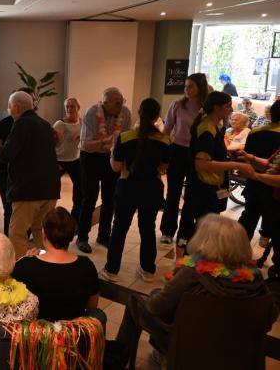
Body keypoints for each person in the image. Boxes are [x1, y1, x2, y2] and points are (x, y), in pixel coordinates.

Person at [116, 215, 277, 367]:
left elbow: (155, 306)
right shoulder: (254, 278)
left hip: (188, 346)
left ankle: (116, 360)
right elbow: (271, 316)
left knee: (135, 302)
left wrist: (156, 293)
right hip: (236, 352)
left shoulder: (193, 272)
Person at [101, 98, 170, 283]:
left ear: (139, 112)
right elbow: (164, 167)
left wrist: (112, 153)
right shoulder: (165, 140)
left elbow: (116, 167)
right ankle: (148, 271)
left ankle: (111, 270)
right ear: (157, 116)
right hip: (152, 189)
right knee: (147, 229)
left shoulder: (125, 137)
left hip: (127, 188)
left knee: (119, 228)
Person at [176, 92, 255, 248]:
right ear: (216, 107)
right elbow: (202, 164)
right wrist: (237, 165)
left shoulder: (212, 127)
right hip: (203, 188)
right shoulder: (207, 130)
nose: (231, 109)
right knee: (201, 234)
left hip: (207, 186)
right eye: (228, 106)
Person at [0, 91, 60, 259]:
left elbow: (7, 155)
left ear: (16, 107)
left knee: (17, 234)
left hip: (28, 190)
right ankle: (46, 263)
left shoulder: (21, 123)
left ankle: (21, 269)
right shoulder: (45, 123)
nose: (8, 110)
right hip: (50, 188)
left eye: (9, 107)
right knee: (40, 231)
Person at [12, 207, 102, 324]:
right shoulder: (86, 266)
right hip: (72, 332)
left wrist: (26, 260)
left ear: (43, 234)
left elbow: (13, 306)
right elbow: (92, 307)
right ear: (71, 236)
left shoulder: (24, 267)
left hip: (35, 333)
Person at [76, 87, 132, 253]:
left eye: (122, 102)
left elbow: (125, 140)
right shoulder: (91, 113)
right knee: (89, 198)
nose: (121, 106)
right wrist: (105, 141)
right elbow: (86, 145)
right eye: (117, 103)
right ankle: (82, 237)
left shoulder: (125, 113)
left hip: (112, 158)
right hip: (91, 158)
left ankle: (104, 236)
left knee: (110, 199)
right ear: (105, 103)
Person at [160, 73, 208, 245]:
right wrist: (162, 154)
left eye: (191, 86)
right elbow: (167, 130)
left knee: (191, 195)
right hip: (177, 151)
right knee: (173, 192)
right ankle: (167, 231)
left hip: (197, 154)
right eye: (185, 86)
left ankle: (185, 234)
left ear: (200, 88)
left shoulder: (206, 108)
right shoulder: (177, 105)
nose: (186, 89)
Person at [237, 100, 280, 249]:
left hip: (254, 182)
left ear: (271, 115)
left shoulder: (255, 132)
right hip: (275, 188)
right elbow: (272, 164)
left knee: (249, 215)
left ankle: (237, 250)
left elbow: (248, 158)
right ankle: (265, 236)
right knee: (273, 216)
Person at [0, 87, 35, 235]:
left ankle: (21, 236)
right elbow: (0, 149)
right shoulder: (4, 124)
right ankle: (9, 239)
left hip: (25, 174)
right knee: (9, 208)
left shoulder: (34, 123)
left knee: (25, 210)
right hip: (5, 171)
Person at [53, 98, 82, 222]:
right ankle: (49, 216)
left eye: (72, 106)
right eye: (67, 106)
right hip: (59, 160)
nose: (69, 109)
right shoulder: (60, 124)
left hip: (75, 160)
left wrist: (81, 136)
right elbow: (51, 142)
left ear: (78, 107)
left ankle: (75, 217)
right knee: (52, 188)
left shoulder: (81, 122)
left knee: (80, 188)